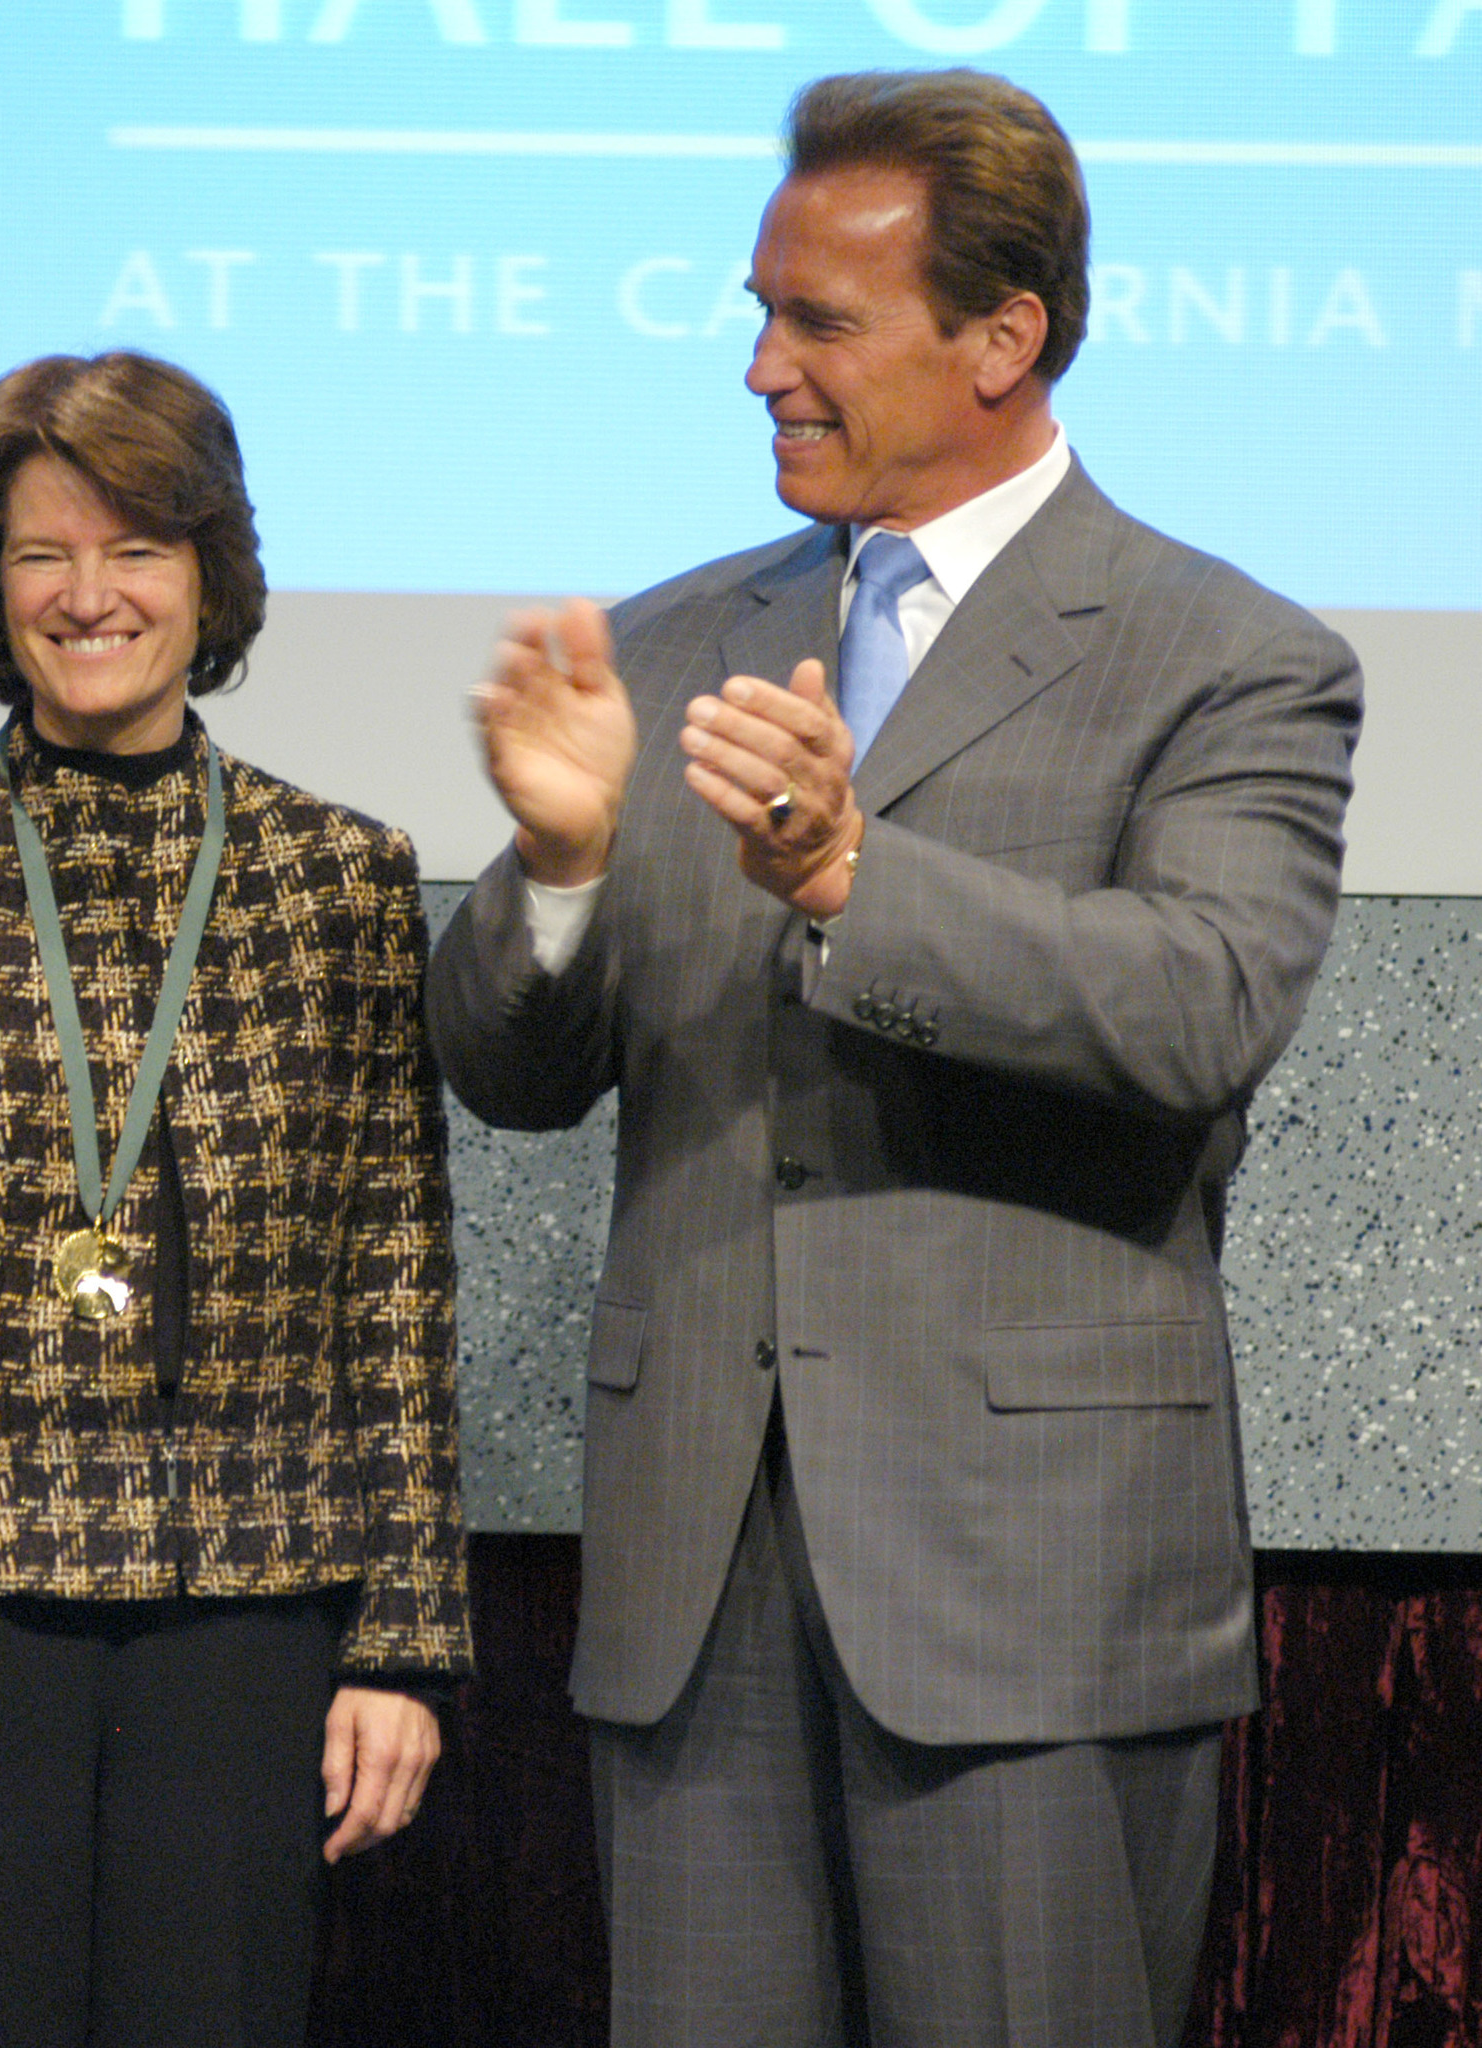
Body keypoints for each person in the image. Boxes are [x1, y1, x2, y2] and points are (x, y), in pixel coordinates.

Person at [428, 69, 1360, 2048]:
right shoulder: (674, 640)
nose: (760, 365)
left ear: (1003, 338)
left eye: (819, 322)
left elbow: (1200, 1002)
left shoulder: (1225, 657)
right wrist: (567, 865)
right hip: (700, 1590)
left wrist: (858, 876)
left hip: (1020, 1590)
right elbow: (510, 1067)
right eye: (759, 311)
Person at [0, 349, 472, 2048]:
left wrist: (405, 1643)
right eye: (39, 555)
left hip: (256, 1609)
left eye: (135, 546)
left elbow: (394, 1278)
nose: (87, 597)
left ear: (211, 574)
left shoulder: (339, 876)